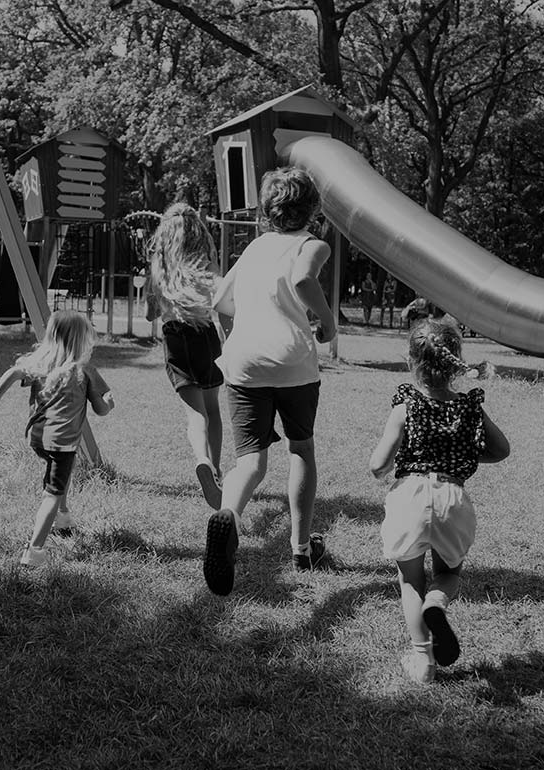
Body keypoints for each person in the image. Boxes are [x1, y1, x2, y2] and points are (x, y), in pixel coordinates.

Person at [204, 167, 337, 596]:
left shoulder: (255, 248)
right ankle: (301, 549)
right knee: (301, 449)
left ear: (266, 211)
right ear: (313, 209)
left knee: (250, 462)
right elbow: (303, 278)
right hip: (292, 362)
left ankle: (228, 516)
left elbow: (221, 303)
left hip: (244, 362)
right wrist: (328, 322)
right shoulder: (313, 244)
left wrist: (234, 338)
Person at [368, 317, 510, 683]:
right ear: (455, 364)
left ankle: (423, 660)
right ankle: (438, 603)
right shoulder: (469, 408)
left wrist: (400, 456)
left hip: (410, 497)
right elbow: (501, 450)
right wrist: (458, 455)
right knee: (447, 574)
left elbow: (377, 466)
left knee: (410, 581)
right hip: (452, 497)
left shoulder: (406, 407)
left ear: (412, 362)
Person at [0, 310, 115, 567]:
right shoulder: (84, 371)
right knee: (51, 494)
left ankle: (63, 518)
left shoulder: (42, 364)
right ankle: (34, 551)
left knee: (64, 469)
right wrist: (109, 401)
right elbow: (100, 410)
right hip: (62, 442)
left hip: (38, 439)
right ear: (82, 341)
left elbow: (13, 373)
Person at [145, 202, 226, 508]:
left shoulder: (158, 268)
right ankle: (215, 470)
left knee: (195, 414)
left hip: (175, 337)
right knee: (214, 410)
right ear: (197, 234)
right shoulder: (207, 265)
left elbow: (150, 313)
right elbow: (221, 299)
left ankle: (202, 459)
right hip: (206, 334)